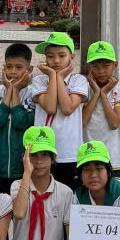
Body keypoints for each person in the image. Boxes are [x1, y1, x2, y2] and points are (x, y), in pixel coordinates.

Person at [29, 31, 89, 188]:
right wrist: (53, 77)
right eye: (50, 56)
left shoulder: (79, 80)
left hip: (70, 153)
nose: (56, 61)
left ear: (71, 57)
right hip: (42, 152)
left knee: (69, 195)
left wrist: (59, 77)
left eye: (62, 56)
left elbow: (67, 108)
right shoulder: (39, 80)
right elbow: (50, 107)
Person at [0, 42, 35, 192]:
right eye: (9, 67)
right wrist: (9, 91)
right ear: (4, 68)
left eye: (19, 67)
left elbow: (20, 121)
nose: (13, 72)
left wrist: (15, 91)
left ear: (29, 70)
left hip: (21, 166)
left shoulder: (33, 94)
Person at [81, 40, 120, 170]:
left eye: (106, 65)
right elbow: (83, 121)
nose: (101, 71)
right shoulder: (85, 88)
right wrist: (96, 93)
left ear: (115, 65)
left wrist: (103, 94)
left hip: (113, 158)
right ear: (89, 67)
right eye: (95, 66)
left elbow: (114, 123)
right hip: (89, 156)